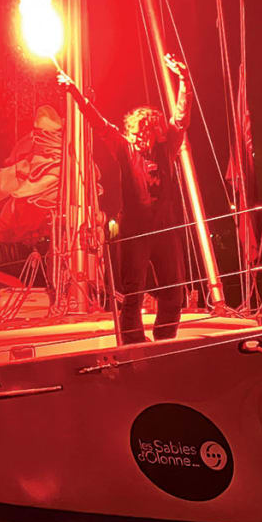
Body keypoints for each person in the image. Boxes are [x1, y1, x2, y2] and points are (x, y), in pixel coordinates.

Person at [58, 55, 192, 344]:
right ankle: (133, 343)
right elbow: (99, 123)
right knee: (133, 293)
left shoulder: (167, 148)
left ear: (156, 133)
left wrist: (184, 80)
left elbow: (181, 117)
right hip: (135, 232)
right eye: (137, 131)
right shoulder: (123, 147)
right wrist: (74, 92)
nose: (140, 136)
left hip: (165, 230)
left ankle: (165, 339)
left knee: (174, 293)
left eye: (147, 131)